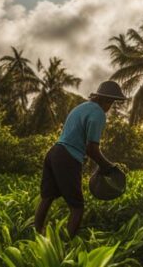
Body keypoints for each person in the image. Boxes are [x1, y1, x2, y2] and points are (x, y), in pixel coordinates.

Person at [33, 79, 128, 237]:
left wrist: (101, 165)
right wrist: (109, 167)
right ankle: (66, 247)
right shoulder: (98, 114)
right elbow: (91, 149)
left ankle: (37, 236)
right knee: (77, 208)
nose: (110, 107)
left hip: (54, 152)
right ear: (106, 100)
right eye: (111, 102)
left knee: (47, 197)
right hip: (67, 157)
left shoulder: (81, 107)